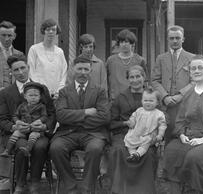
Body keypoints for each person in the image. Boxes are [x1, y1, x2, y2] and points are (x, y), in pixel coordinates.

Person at [50, 55, 110, 194]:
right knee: (56, 148)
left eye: (86, 69)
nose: (83, 72)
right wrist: (86, 112)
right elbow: (61, 116)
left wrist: (74, 117)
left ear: (90, 71)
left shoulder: (100, 91)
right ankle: (71, 187)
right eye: (79, 69)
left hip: (93, 134)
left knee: (95, 149)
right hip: (68, 133)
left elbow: (104, 117)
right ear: (73, 70)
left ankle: (86, 188)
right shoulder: (64, 92)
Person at [0, 54, 56, 194]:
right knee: (21, 146)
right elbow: (2, 118)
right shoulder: (5, 93)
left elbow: (51, 113)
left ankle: (35, 181)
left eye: (23, 68)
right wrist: (14, 126)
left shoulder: (41, 89)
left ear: (28, 67)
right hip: (16, 133)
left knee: (40, 146)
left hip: (38, 131)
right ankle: (20, 182)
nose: (20, 72)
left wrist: (45, 126)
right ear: (11, 72)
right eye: (16, 69)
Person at [163, 55, 203, 194]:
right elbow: (181, 119)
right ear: (190, 73)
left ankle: (198, 190)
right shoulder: (189, 93)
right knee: (171, 151)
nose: (196, 71)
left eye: (200, 67)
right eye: (193, 69)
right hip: (189, 136)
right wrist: (182, 134)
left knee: (195, 157)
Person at [108, 65, 157, 194]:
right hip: (124, 134)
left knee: (149, 153)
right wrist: (125, 123)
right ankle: (120, 190)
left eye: (138, 76)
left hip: (146, 134)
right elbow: (111, 122)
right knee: (118, 150)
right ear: (128, 79)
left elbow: (163, 116)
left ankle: (144, 190)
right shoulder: (120, 97)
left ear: (144, 77)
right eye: (132, 77)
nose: (135, 80)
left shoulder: (152, 95)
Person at [151, 25, 194, 143]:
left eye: (177, 38)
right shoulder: (161, 58)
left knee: (183, 137)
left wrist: (181, 95)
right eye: (171, 38)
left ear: (183, 39)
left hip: (184, 104)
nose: (174, 41)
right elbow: (155, 80)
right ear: (168, 39)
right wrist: (164, 96)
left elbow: (194, 81)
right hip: (166, 105)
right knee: (166, 135)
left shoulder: (191, 58)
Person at [1, 82, 47, 157]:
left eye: (36, 95)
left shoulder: (41, 107)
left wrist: (39, 121)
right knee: (15, 134)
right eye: (30, 95)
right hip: (24, 128)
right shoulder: (22, 106)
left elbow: (44, 116)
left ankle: (28, 149)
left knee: (33, 136)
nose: (33, 97)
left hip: (35, 129)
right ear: (25, 96)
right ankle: (7, 150)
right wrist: (18, 122)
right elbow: (15, 115)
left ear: (40, 97)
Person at [27, 18, 67, 98]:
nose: (51, 32)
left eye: (54, 29)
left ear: (57, 32)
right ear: (43, 31)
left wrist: (59, 91)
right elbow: (31, 72)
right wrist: (42, 90)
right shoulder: (34, 49)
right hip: (40, 94)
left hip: (57, 95)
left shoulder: (60, 52)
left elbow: (64, 73)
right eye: (48, 29)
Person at [124, 87, 166, 162]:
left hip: (149, 134)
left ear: (157, 102)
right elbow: (133, 117)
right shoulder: (139, 110)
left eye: (151, 101)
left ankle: (138, 154)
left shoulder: (159, 114)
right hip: (137, 132)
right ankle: (133, 155)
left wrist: (160, 134)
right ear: (142, 101)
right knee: (128, 141)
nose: (148, 102)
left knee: (147, 142)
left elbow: (162, 125)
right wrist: (131, 122)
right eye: (145, 100)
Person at [106, 29, 148, 101]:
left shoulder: (140, 60)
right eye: (121, 42)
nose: (124, 44)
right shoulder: (110, 60)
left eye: (126, 42)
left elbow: (145, 81)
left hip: (135, 99)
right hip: (115, 100)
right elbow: (106, 81)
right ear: (118, 44)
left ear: (132, 44)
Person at [0, 20, 23, 90]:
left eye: (9, 35)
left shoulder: (19, 54)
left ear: (14, 36)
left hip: (14, 95)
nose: (6, 39)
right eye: (3, 35)